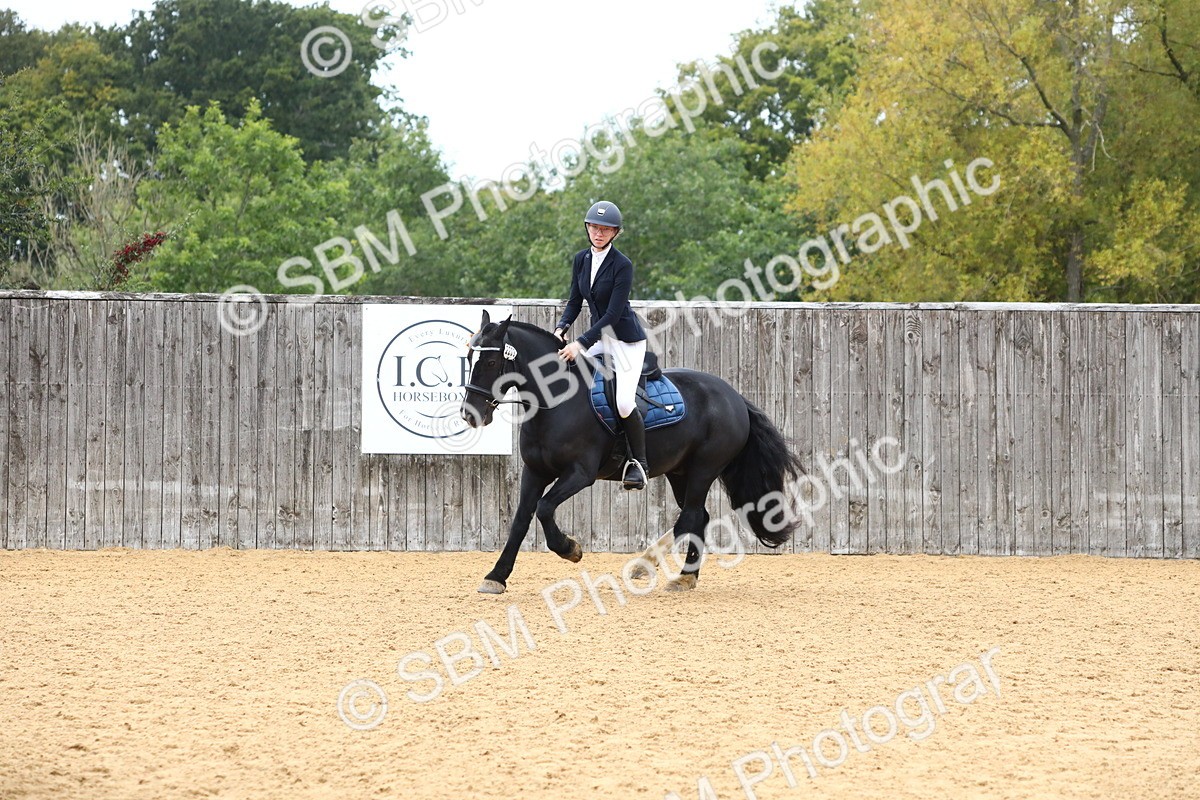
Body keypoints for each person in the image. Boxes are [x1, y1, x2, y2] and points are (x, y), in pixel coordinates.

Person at [554, 200, 649, 490]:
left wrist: (581, 344)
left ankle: (639, 464)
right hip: (600, 339)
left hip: (626, 342)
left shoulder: (622, 265)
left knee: (623, 402)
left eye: (605, 229)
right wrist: (561, 328)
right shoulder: (581, 260)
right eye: (595, 227)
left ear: (615, 233)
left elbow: (611, 315)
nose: (599, 233)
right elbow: (574, 301)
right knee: (564, 371)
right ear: (588, 228)